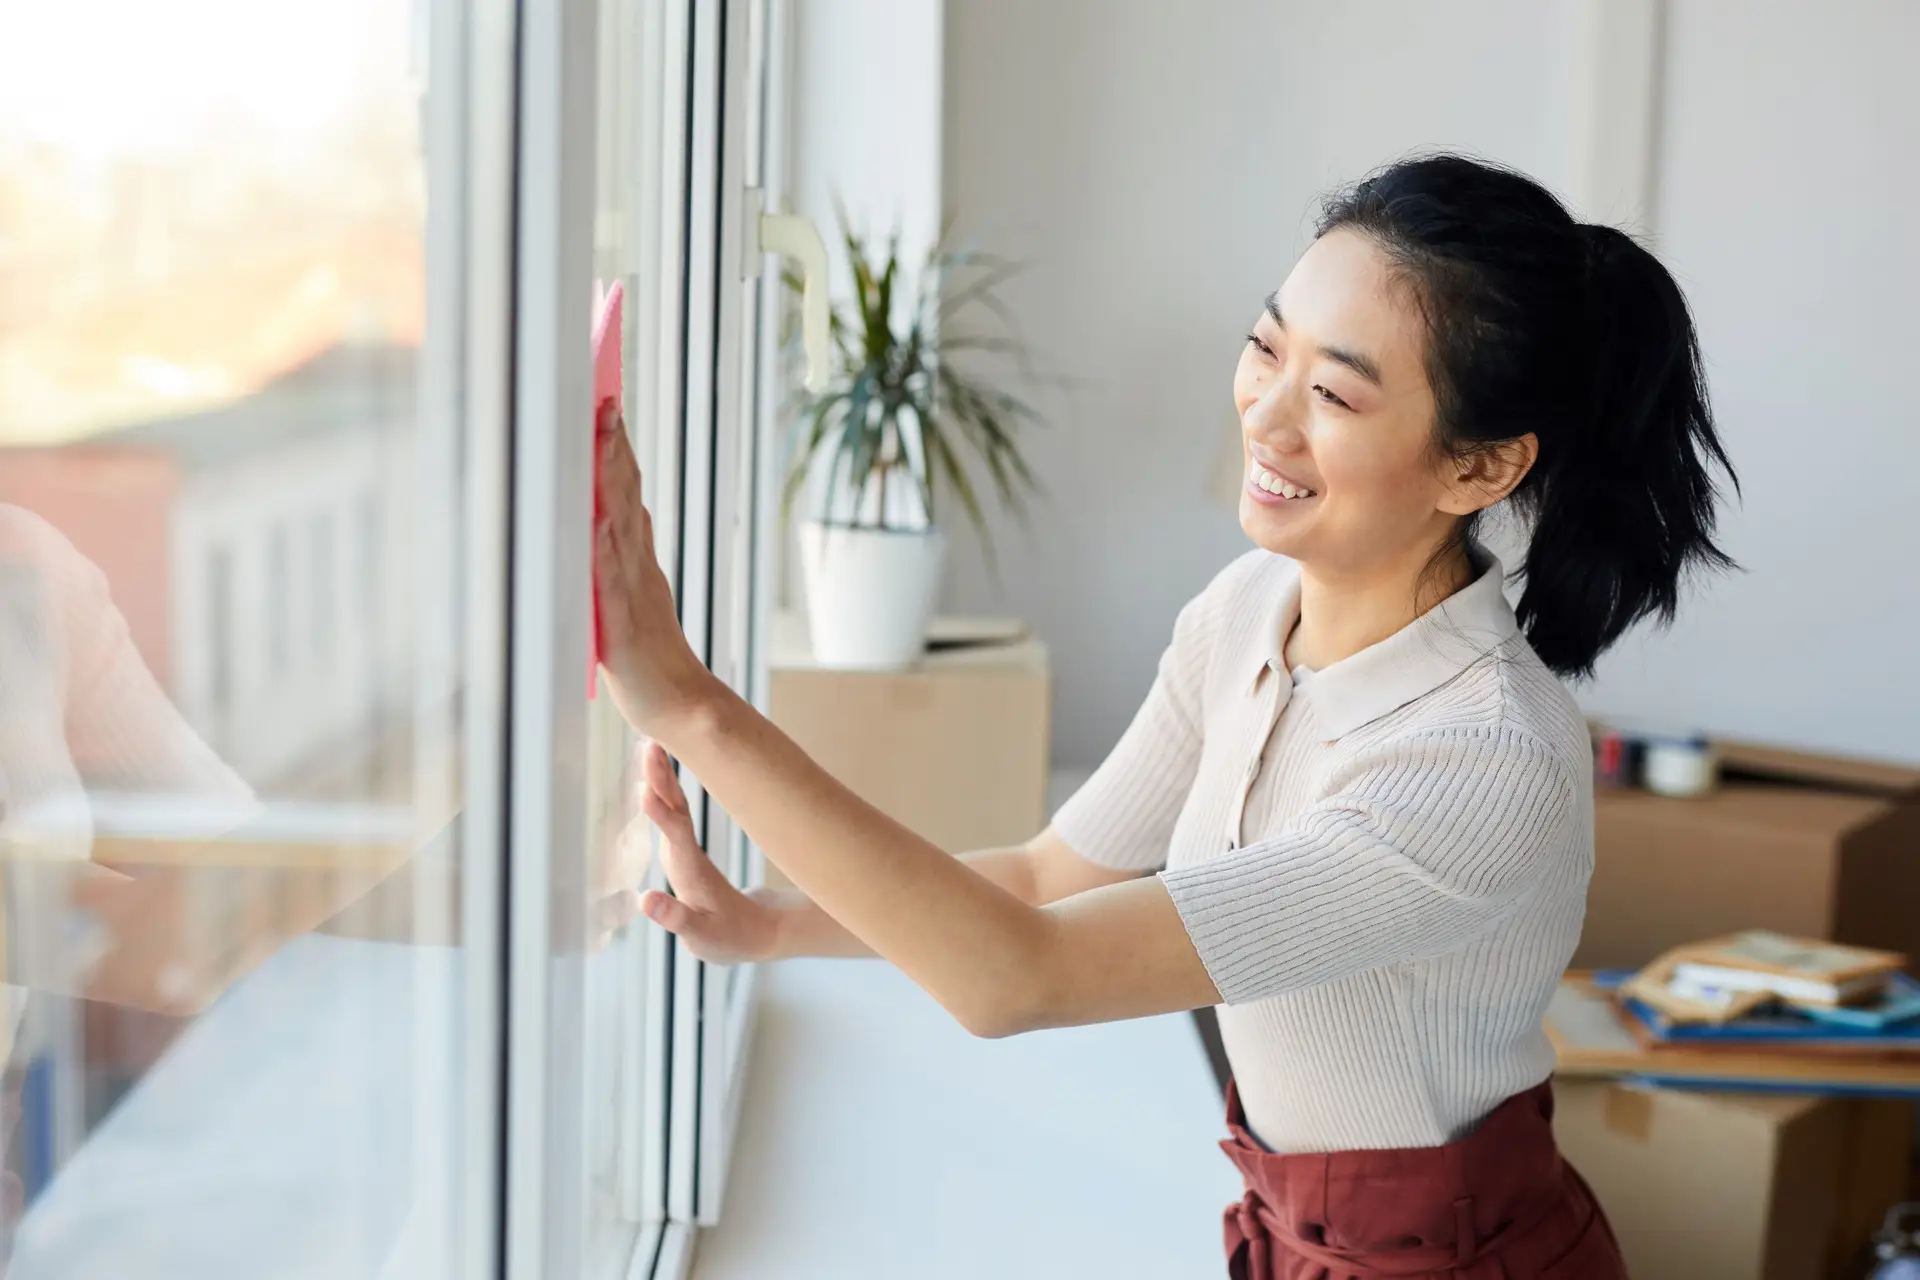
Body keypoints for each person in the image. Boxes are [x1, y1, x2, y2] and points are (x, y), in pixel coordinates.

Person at [591, 153, 1736, 1279]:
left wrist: (690, 704)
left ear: (1479, 468)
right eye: (1265, 347)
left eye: (1333, 392)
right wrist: (772, 924)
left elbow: (1018, 974)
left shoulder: (1484, 758)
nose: (1267, 417)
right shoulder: (1246, 608)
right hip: (1290, 1231)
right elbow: (1048, 880)